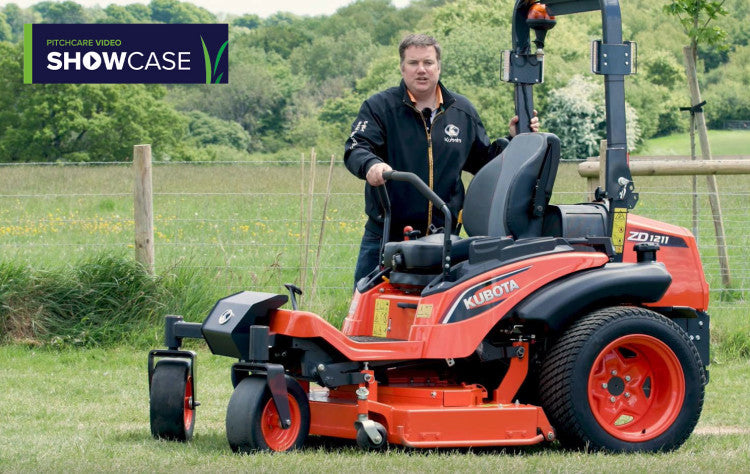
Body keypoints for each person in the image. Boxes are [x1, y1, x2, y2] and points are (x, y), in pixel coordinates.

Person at [344, 33, 539, 286]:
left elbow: (485, 163)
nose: (421, 69)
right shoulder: (379, 107)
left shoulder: (462, 111)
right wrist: (371, 165)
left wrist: (513, 139)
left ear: (438, 66)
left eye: (428, 62)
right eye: (413, 63)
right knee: (370, 305)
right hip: (386, 236)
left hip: (444, 239)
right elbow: (356, 147)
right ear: (402, 68)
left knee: (441, 308)